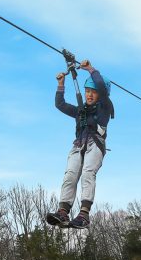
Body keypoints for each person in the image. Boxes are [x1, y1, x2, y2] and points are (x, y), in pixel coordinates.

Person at [45, 60, 114, 229]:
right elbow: (59, 104)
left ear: (101, 94)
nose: (89, 95)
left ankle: (84, 214)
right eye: (87, 91)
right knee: (70, 175)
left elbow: (100, 85)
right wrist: (61, 84)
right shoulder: (80, 111)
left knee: (87, 173)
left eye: (93, 92)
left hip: (95, 144)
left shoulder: (104, 107)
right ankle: (63, 211)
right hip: (79, 144)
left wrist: (90, 69)